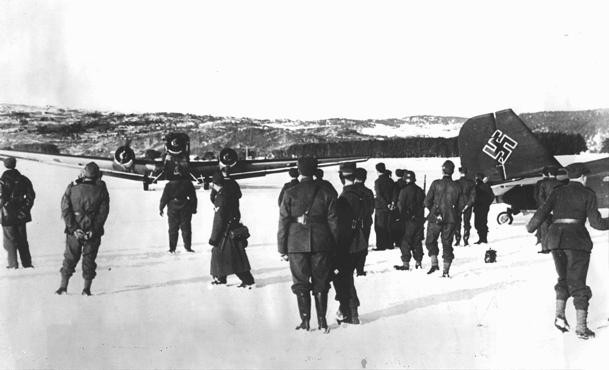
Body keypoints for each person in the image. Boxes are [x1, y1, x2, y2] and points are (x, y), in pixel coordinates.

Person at [526, 163, 609, 339]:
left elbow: (542, 211)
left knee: (563, 278)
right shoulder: (588, 194)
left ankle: (560, 316)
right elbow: (596, 223)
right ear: (583, 177)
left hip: (555, 240)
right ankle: (581, 328)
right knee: (578, 283)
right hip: (576, 241)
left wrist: (531, 226)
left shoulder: (557, 191)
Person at [278, 157, 338, 333]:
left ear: (299, 170)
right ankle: (322, 322)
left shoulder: (290, 192)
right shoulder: (326, 192)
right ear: (315, 170)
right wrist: (333, 245)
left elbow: (283, 222)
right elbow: (334, 222)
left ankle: (305, 322)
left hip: (296, 243)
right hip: (322, 242)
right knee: (322, 282)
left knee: (300, 283)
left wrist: (282, 247)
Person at [55, 162, 110, 296]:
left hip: (74, 230)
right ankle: (86, 289)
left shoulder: (72, 187)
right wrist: (94, 229)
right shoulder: (101, 189)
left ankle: (63, 286)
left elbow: (65, 209)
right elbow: (103, 213)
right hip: (92, 231)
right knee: (89, 259)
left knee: (70, 258)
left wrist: (73, 228)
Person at [333, 163, 372, 324]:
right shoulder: (364, 194)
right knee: (346, 278)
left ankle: (350, 312)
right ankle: (347, 310)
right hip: (361, 241)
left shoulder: (344, 197)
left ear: (341, 177)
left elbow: (341, 226)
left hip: (348, 244)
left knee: (343, 278)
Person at [208, 171, 254, 288]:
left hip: (225, 231)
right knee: (228, 255)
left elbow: (218, 220)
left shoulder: (221, 198)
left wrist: (214, 238)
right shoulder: (230, 193)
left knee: (228, 256)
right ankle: (221, 277)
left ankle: (247, 281)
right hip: (233, 226)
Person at [424, 160, 462, 277]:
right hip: (450, 220)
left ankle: (434, 264)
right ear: (453, 171)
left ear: (443, 170)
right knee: (447, 244)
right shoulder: (457, 186)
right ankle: (445, 271)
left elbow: (427, 201)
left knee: (430, 241)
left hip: (435, 219)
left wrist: (435, 212)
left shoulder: (435, 184)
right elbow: (460, 206)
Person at [0, 157, 35, 269]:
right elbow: (31, 196)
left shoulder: (2, 180)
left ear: (5, 166)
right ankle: (27, 263)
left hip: (7, 214)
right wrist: (25, 209)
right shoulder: (24, 179)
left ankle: (13, 264)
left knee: (9, 240)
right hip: (21, 214)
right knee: (22, 239)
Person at [394, 170, 425, 270]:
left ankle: (406, 264)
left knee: (405, 241)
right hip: (419, 220)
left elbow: (400, 206)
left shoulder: (404, 191)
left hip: (408, 220)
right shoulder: (420, 190)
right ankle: (418, 262)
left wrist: (400, 217)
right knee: (417, 241)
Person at [159, 173, 197, 253]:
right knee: (186, 228)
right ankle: (188, 248)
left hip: (172, 207)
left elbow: (164, 198)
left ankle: (172, 249)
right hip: (185, 207)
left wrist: (161, 208)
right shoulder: (188, 183)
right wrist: (193, 208)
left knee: (173, 229)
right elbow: (193, 197)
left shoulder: (168, 185)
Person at [535, 166, 562, 253]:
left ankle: (545, 249)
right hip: (557, 210)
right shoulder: (561, 184)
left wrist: (546, 207)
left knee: (545, 230)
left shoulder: (544, 184)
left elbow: (541, 197)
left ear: (549, 174)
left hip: (546, 210)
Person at [353, 167, 374, 276]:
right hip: (365, 222)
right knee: (363, 245)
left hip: (352, 223)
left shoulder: (350, 191)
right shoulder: (369, 192)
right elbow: (371, 209)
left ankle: (351, 267)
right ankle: (360, 269)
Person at [373, 163, 394, 251]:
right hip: (390, 207)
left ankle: (381, 245)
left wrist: (385, 204)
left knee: (379, 226)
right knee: (388, 225)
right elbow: (394, 193)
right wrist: (391, 203)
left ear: (377, 170)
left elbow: (379, 195)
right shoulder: (391, 181)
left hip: (381, 207)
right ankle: (389, 243)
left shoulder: (378, 181)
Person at [454, 167, 476, 246]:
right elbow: (473, 197)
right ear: (467, 173)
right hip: (468, 206)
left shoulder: (456, 183)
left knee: (457, 223)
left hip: (457, 206)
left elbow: (453, 196)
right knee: (467, 223)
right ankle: (466, 239)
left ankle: (457, 240)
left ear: (460, 173)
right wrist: (467, 205)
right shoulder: (471, 183)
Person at [473, 173, 494, 244]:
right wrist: (487, 204)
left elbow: (474, 198)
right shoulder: (487, 186)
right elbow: (492, 197)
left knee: (478, 224)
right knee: (483, 223)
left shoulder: (476, 187)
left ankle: (482, 239)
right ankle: (483, 239)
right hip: (485, 208)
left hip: (478, 208)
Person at [390, 169, 407, 248]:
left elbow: (394, 194)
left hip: (397, 206)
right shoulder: (406, 183)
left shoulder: (396, 184)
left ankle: (397, 240)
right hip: (406, 206)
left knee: (396, 224)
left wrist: (393, 202)